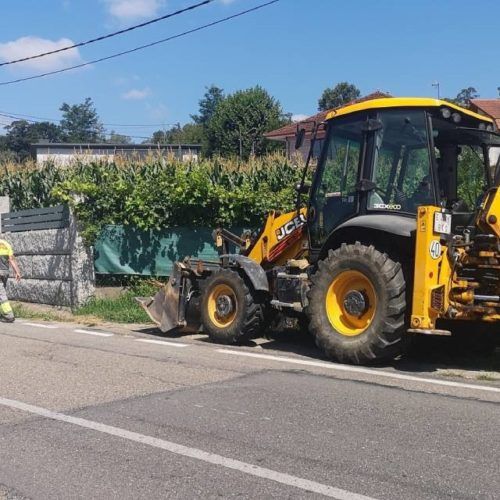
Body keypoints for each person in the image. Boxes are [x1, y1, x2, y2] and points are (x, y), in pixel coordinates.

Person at [0, 238, 21, 322]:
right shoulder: (6, 244)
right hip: (5, 272)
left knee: (1, 295)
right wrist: (17, 272)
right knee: (1, 292)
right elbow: (11, 259)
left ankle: (9, 315)